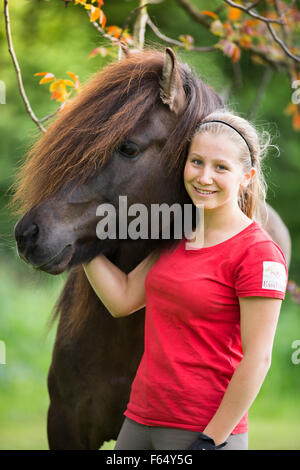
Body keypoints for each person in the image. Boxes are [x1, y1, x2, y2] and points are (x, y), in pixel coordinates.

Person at [83, 110, 288, 450]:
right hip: (139, 421)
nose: (204, 177)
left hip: (201, 431)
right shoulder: (177, 234)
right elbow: (122, 299)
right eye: (196, 162)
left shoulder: (260, 254)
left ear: (247, 176)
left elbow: (258, 358)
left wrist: (212, 440)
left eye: (220, 167)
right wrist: (80, 247)